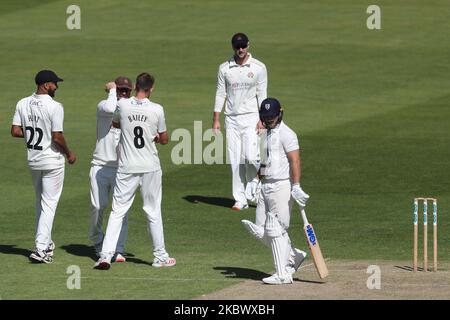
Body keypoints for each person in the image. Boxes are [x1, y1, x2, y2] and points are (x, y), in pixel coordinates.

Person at [94, 72, 176, 270]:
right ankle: (160, 256)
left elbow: (115, 124)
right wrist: (154, 137)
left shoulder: (122, 105)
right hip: (150, 166)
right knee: (152, 210)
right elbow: (164, 139)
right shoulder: (157, 109)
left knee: (117, 211)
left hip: (126, 167)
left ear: (136, 86)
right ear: (151, 89)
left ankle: (105, 256)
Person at [241, 97, 309, 284]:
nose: (269, 120)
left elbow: (295, 160)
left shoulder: (288, 134)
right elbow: (265, 160)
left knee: (276, 229)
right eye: (266, 117)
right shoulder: (265, 133)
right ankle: (293, 256)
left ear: (280, 113)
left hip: (281, 186)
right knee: (261, 229)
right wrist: (255, 180)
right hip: (265, 186)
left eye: (272, 116)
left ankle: (283, 274)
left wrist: (296, 186)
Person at [11, 70, 76, 263]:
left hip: (33, 159)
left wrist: (34, 134)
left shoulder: (22, 103)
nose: (57, 87)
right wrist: (68, 153)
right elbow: (57, 137)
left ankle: (45, 243)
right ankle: (40, 249)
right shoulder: (55, 106)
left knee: (41, 201)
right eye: (55, 84)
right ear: (46, 85)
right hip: (52, 161)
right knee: (49, 204)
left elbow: (15, 131)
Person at [212, 32, 267, 211]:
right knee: (236, 160)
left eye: (243, 46)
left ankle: (257, 190)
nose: (240, 49)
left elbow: (262, 94)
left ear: (248, 45)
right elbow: (221, 93)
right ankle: (240, 199)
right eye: (237, 46)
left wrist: (262, 119)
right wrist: (216, 119)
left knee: (251, 157)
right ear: (233, 47)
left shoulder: (259, 67)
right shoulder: (224, 68)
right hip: (232, 119)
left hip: (252, 117)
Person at [89, 77, 133, 262]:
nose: (123, 93)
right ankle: (97, 240)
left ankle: (118, 248)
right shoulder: (103, 106)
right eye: (120, 90)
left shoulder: (130, 109)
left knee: (121, 210)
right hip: (100, 166)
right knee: (98, 206)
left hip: (122, 168)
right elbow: (110, 108)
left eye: (126, 90)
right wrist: (111, 91)